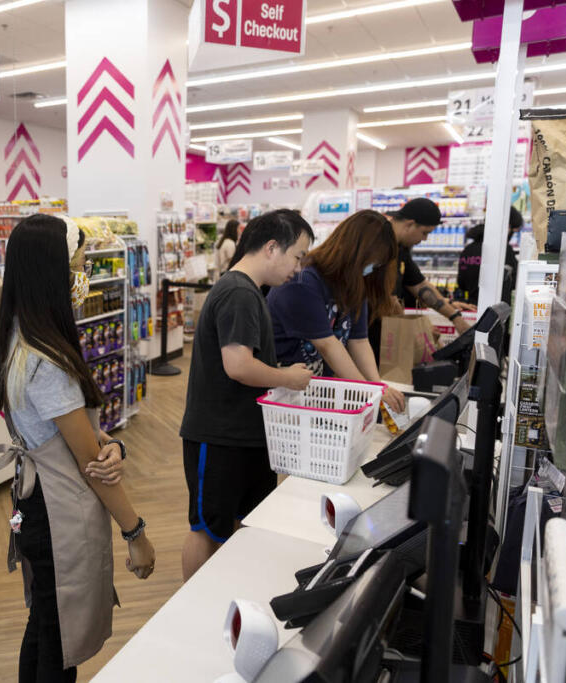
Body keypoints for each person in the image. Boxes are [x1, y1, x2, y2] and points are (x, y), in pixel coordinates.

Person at [0, 214, 155, 683]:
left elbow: (72, 434)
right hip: (58, 515)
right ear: (52, 274)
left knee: (44, 625)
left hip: (33, 501)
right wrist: (135, 533)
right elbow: (91, 466)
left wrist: (108, 440)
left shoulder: (17, 336)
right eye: (77, 265)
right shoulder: (48, 358)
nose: (82, 277)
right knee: (61, 644)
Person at [179, 209, 315, 581]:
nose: (298, 268)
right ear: (272, 248)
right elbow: (237, 365)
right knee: (207, 528)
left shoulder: (248, 291)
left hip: (243, 434)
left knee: (239, 521)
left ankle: (223, 590)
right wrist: (286, 377)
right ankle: (189, 605)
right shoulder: (239, 292)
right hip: (220, 435)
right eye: (297, 256)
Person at [267, 210, 406, 413]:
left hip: (315, 391)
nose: (372, 269)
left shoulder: (354, 282)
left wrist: (377, 387)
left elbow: (358, 341)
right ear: (354, 252)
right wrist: (370, 389)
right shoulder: (303, 281)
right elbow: (327, 345)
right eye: (371, 263)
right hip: (283, 391)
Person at [368, 197, 476, 362]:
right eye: (425, 232)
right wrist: (415, 330)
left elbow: (420, 286)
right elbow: (373, 288)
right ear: (410, 224)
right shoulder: (377, 243)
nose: (424, 239)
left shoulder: (401, 249)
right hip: (367, 336)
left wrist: (456, 318)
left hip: (386, 335)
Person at [456, 205, 522, 305]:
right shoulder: (503, 249)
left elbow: (462, 284)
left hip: (471, 307)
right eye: (513, 230)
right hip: (496, 310)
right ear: (507, 226)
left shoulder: (468, 249)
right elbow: (513, 282)